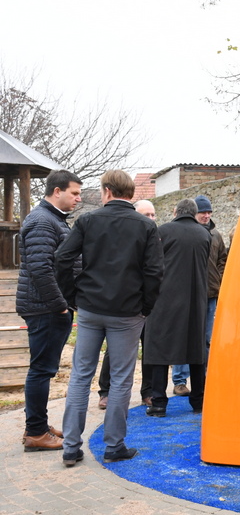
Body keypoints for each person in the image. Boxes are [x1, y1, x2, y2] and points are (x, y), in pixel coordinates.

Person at [55, 170, 163, 467]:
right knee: (121, 379)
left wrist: (71, 296)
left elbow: (62, 257)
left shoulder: (88, 221)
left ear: (106, 191)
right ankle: (114, 446)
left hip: (91, 307)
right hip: (127, 311)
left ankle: (71, 447)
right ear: (130, 194)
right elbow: (155, 271)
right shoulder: (146, 226)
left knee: (80, 375)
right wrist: (146, 306)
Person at [17, 169, 82, 452]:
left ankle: (38, 425)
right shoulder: (43, 221)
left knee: (43, 369)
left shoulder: (52, 219)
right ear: (57, 191)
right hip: (45, 308)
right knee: (41, 370)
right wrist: (60, 307)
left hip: (48, 307)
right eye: (74, 193)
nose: (78, 199)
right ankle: (35, 433)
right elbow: (40, 269)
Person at [144, 199, 211, 417]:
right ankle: (198, 400)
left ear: (175, 212)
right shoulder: (204, 234)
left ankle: (159, 403)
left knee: (160, 349)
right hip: (196, 299)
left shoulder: (163, 231)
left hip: (165, 299)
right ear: (194, 213)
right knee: (196, 350)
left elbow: (152, 264)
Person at [96, 199, 157, 409]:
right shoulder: (124, 237)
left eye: (153, 214)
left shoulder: (155, 236)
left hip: (148, 303)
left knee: (149, 348)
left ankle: (148, 391)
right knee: (114, 349)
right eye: (146, 215)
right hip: (124, 303)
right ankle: (105, 391)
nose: (151, 218)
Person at [170, 195, 227, 394]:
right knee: (183, 338)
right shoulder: (184, 233)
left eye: (209, 212)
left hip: (210, 294)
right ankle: (179, 380)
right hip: (187, 295)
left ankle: (205, 379)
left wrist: (218, 279)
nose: (206, 215)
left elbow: (222, 259)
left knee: (206, 339)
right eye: (203, 212)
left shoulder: (216, 235)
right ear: (194, 213)